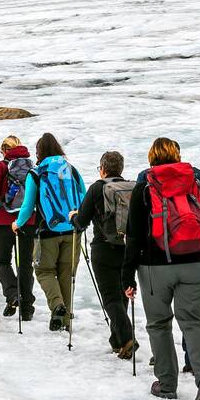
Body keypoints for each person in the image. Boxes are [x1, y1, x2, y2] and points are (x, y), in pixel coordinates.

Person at [121, 137, 200, 400]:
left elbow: (133, 234)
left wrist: (127, 274)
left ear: (151, 157)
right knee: (193, 321)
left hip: (155, 267)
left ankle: (166, 384)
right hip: (195, 262)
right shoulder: (195, 177)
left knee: (159, 324)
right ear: (177, 154)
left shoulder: (145, 181)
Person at [12, 133, 85, 332]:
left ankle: (57, 306)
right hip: (73, 230)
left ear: (39, 152)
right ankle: (65, 321)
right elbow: (84, 198)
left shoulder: (36, 173)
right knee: (66, 275)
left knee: (44, 271)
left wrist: (17, 224)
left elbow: (27, 206)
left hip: (47, 231)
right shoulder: (72, 170)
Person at [71, 150, 137, 358]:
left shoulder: (97, 188)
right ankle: (117, 340)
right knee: (122, 294)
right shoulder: (132, 188)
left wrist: (73, 216)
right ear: (121, 169)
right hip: (128, 248)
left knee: (110, 298)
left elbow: (81, 222)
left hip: (103, 248)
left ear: (102, 169)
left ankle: (127, 337)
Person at [0, 135, 36, 319]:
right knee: (25, 264)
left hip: (3, 221)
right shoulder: (32, 167)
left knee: (2, 261)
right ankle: (27, 308)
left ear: (5, 150)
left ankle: (13, 294)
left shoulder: (1, 166)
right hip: (27, 220)